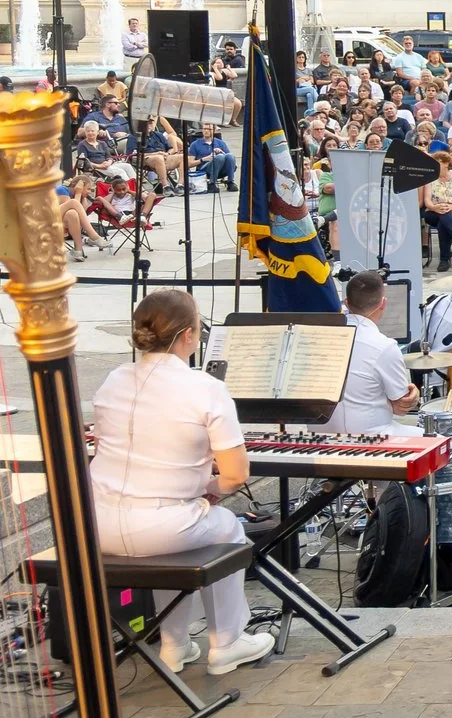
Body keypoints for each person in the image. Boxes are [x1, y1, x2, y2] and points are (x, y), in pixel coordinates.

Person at [88, 291, 278, 677]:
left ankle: (175, 645)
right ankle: (227, 642)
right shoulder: (204, 387)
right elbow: (237, 474)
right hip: (162, 525)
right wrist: (213, 488)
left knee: (179, 534)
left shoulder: (114, 379)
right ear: (189, 336)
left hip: (99, 524)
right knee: (224, 528)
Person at [324, 270, 419, 433]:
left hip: (321, 435)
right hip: (373, 436)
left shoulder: (322, 337)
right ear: (383, 303)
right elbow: (401, 407)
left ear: (346, 303)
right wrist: (414, 394)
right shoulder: (385, 347)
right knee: (442, 442)